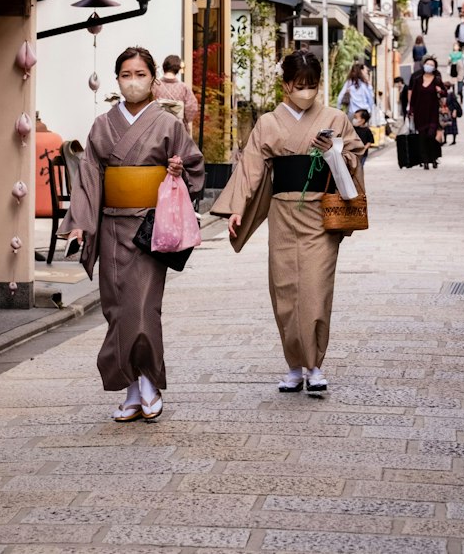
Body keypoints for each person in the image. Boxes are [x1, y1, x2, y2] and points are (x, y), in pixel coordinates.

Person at [59, 47, 204, 423]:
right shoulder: (103, 125)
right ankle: (131, 386)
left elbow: (194, 164)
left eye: (140, 74)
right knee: (116, 308)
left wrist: (177, 169)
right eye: (126, 74)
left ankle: (149, 383)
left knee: (142, 307)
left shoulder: (167, 123)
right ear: (117, 79)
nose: (132, 81)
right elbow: (90, 177)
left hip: (149, 228)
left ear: (152, 79)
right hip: (110, 224)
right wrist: (80, 221)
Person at [212, 51, 365, 394]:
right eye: (300, 85)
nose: (306, 92)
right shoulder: (268, 122)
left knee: (315, 289)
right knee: (285, 291)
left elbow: (356, 156)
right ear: (285, 85)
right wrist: (237, 207)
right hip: (283, 212)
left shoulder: (335, 118)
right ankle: (294, 365)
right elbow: (251, 166)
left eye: (312, 86)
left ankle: (315, 365)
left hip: (321, 215)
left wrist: (335, 150)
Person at [406, 57, 447, 170]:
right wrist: (411, 110)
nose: (429, 66)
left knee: (431, 135)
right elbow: (413, 97)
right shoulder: (418, 79)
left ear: (434, 68)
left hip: (432, 112)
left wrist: (440, 90)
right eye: (427, 64)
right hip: (420, 112)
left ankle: (433, 158)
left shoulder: (437, 80)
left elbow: (445, 93)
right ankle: (424, 160)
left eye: (431, 64)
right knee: (422, 137)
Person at [152, 54, 200, 128]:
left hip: (158, 126)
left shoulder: (155, 85)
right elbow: (192, 108)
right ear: (178, 69)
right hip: (178, 127)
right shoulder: (184, 87)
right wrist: (185, 118)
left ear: (164, 67)